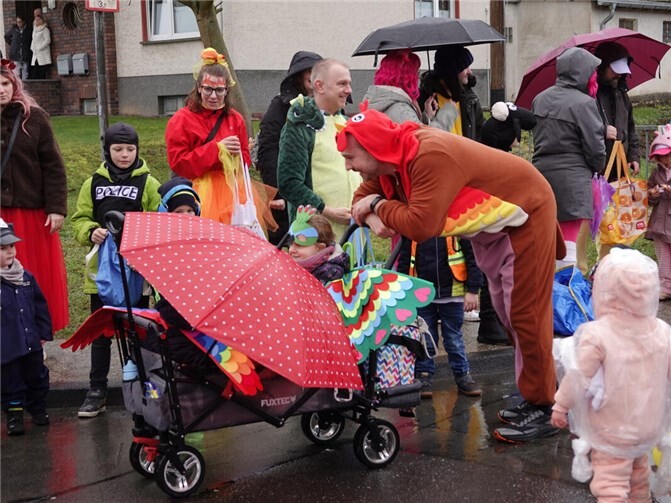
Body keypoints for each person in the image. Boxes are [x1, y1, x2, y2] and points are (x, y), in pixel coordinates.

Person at [337, 107, 565, 443]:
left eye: (350, 158)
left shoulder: (428, 155)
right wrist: (372, 210)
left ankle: (545, 406)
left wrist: (377, 206)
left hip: (525, 215)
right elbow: (361, 199)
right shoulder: (391, 158)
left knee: (525, 315)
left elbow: (420, 224)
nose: (347, 166)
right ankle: (538, 394)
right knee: (508, 314)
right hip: (494, 231)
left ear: (373, 149)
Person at [551, 248, 671, 502]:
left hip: (612, 429)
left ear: (604, 291)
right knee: (639, 475)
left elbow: (579, 376)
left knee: (610, 482)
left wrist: (561, 405)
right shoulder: (662, 331)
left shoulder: (597, 335)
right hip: (647, 426)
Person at [71, 122, 161, 418]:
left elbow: (158, 220)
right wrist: (90, 231)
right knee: (101, 334)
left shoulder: (148, 183)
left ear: (137, 150)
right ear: (107, 150)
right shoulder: (92, 184)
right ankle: (97, 390)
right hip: (102, 276)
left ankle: (144, 385)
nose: (124, 154)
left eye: (130, 149)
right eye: (118, 149)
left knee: (139, 332)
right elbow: (79, 219)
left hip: (136, 273)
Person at [0, 60, 69, 332]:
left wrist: (56, 207)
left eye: (5, 83)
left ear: (14, 85)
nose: (1, 90)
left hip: (29, 213)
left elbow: (53, 166)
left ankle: (35, 334)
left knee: (31, 274)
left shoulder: (34, 118)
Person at [532, 47, 606, 271]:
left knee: (547, 240)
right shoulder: (584, 103)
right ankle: (566, 288)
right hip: (573, 179)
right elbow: (595, 149)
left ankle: (547, 289)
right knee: (569, 244)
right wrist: (598, 167)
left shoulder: (539, 99)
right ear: (584, 72)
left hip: (540, 175)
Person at [166, 48, 255, 224]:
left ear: (227, 90)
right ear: (199, 87)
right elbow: (179, 164)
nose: (213, 96)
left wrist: (238, 155)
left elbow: (244, 164)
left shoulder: (235, 119)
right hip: (196, 194)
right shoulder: (181, 120)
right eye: (208, 89)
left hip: (232, 195)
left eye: (219, 90)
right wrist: (217, 149)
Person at [277, 58, 362, 240]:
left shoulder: (347, 123)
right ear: (320, 86)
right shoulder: (299, 127)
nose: (349, 90)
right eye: (342, 84)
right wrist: (326, 210)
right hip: (315, 234)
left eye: (349, 84)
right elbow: (289, 182)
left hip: (353, 231)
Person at [477, 101, 537, 346]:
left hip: (496, 222)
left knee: (497, 270)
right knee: (492, 270)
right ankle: (489, 320)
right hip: (492, 224)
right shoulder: (494, 163)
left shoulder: (491, 157)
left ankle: (496, 320)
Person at [397, 234, 483, 398]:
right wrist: (401, 292)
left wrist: (473, 290)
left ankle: (462, 374)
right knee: (425, 339)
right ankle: (424, 375)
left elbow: (474, 258)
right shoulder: (414, 230)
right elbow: (405, 260)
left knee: (453, 339)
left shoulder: (457, 228)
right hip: (422, 295)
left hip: (452, 295)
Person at [256, 51, 323, 245]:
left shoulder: (328, 105)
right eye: (308, 71)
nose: (313, 75)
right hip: (291, 191)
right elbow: (268, 149)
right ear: (299, 75)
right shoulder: (281, 106)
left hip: (321, 186)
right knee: (298, 243)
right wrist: (278, 191)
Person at [587, 42, 642, 264]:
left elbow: (631, 127)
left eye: (622, 72)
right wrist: (602, 130)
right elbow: (584, 126)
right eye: (614, 70)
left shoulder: (622, 95)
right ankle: (600, 263)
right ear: (602, 67)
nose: (618, 76)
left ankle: (615, 260)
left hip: (620, 167)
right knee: (600, 218)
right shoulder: (590, 95)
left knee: (618, 219)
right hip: (598, 166)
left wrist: (634, 156)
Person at [1, 220, 52, 436]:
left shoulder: (25, 277)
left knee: (37, 376)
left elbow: (39, 306)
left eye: (11, 246)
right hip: (7, 346)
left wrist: (43, 331)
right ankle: (14, 415)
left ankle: (38, 408)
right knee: (10, 381)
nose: (10, 251)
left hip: (31, 340)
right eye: (2, 248)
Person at [418, 45, 483, 141]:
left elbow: (480, 134)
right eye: (465, 67)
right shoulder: (426, 101)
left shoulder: (470, 98)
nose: (470, 71)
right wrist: (427, 118)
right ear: (451, 72)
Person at [364, 49, 436, 126]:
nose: (418, 77)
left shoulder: (381, 100)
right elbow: (420, 133)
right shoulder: (402, 110)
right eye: (417, 72)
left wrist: (427, 115)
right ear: (407, 77)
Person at [287, 205, 349, 284]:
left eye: (299, 245)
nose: (291, 250)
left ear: (320, 248)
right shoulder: (292, 268)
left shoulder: (329, 273)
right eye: (291, 244)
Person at [645, 123, 671, 300]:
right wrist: (652, 194)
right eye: (661, 157)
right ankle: (666, 286)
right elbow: (648, 197)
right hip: (660, 221)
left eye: (668, 155)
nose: (665, 160)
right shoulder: (656, 173)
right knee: (663, 255)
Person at [29, 15, 51, 80]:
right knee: (35, 70)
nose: (37, 21)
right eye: (36, 20)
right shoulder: (34, 30)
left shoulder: (45, 29)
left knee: (42, 70)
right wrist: (32, 47)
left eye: (38, 20)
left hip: (42, 52)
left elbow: (48, 40)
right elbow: (33, 40)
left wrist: (41, 47)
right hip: (35, 53)